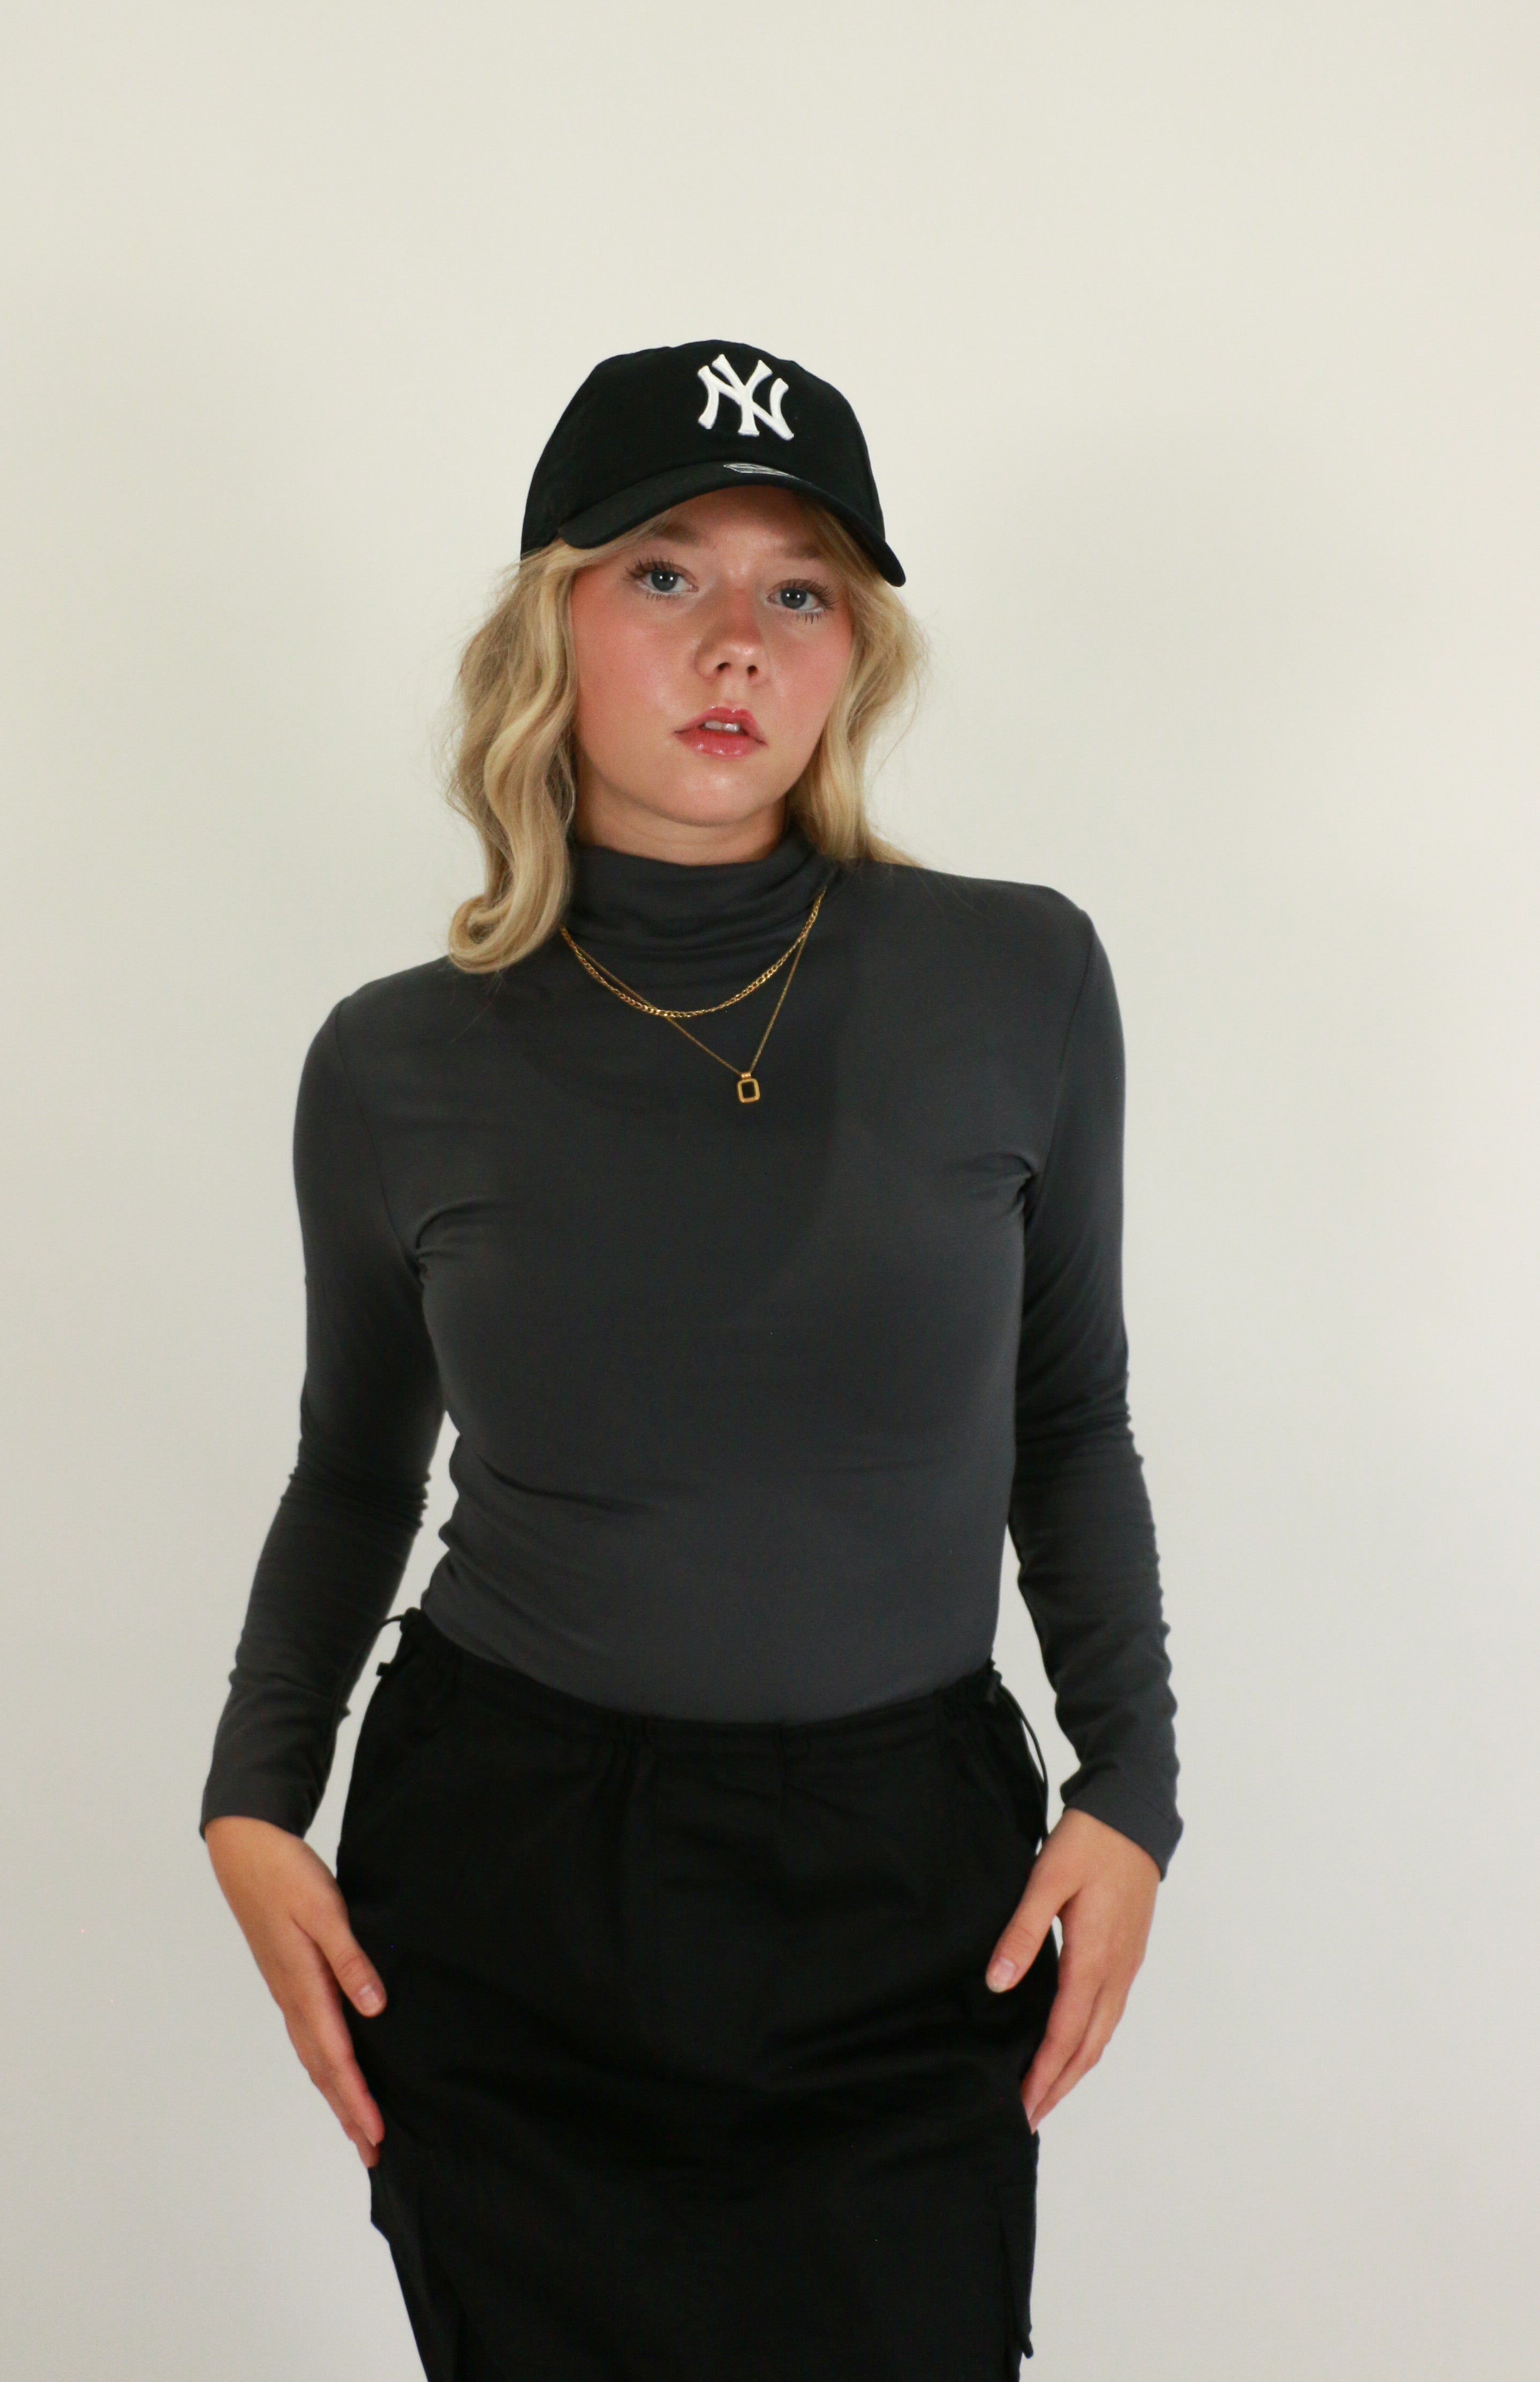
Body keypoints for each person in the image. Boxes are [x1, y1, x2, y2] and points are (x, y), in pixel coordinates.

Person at [201, 338, 1182, 2381]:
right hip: (513, 1872)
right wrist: (253, 1798)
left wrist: (1133, 1787)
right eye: (666, 572)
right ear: (550, 623)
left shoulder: (1018, 975)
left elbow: (1067, 1413)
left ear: (853, 655)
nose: (737, 641)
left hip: (904, 1882)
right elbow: (356, 1471)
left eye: (799, 589)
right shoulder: (394, 1062)